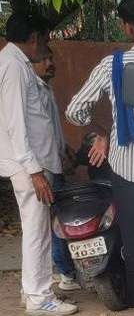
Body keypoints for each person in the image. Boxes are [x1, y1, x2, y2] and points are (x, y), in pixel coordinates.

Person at [66, 0, 134, 316]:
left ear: (127, 26)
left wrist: (102, 133)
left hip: (127, 168)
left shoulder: (113, 65)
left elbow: (75, 110)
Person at [0, 13, 78, 316]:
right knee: (37, 231)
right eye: (43, 40)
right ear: (33, 38)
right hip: (28, 165)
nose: (44, 48)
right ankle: (38, 296)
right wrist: (34, 170)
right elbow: (15, 124)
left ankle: (31, 290)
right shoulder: (14, 67)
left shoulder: (14, 63)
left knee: (37, 229)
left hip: (32, 162)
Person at [31, 46, 80, 292]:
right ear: (32, 64)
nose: (50, 63)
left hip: (54, 161)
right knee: (53, 222)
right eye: (44, 60)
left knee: (59, 219)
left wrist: (65, 147)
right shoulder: (34, 91)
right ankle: (64, 273)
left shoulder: (46, 89)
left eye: (51, 58)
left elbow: (51, 129)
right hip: (44, 166)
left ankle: (66, 272)